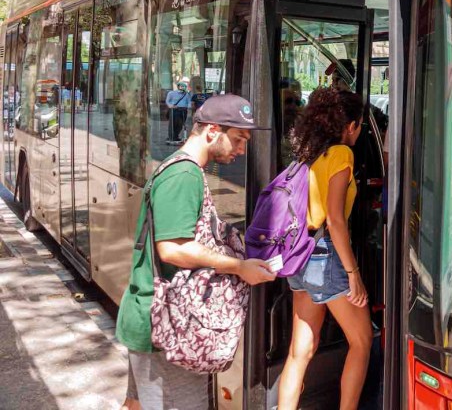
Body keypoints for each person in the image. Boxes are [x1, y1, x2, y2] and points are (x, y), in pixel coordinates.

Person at [116, 95, 276, 410]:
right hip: (166, 326)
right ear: (212, 131)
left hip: (150, 318)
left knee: (136, 405)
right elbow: (173, 249)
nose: (242, 149)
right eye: (238, 139)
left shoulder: (182, 169)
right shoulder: (184, 175)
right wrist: (237, 266)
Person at [278, 87, 372, 410]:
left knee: (299, 350)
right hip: (324, 257)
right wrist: (353, 273)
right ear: (351, 126)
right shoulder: (343, 155)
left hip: (299, 255)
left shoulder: (310, 152)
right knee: (361, 341)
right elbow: (335, 219)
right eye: (360, 126)